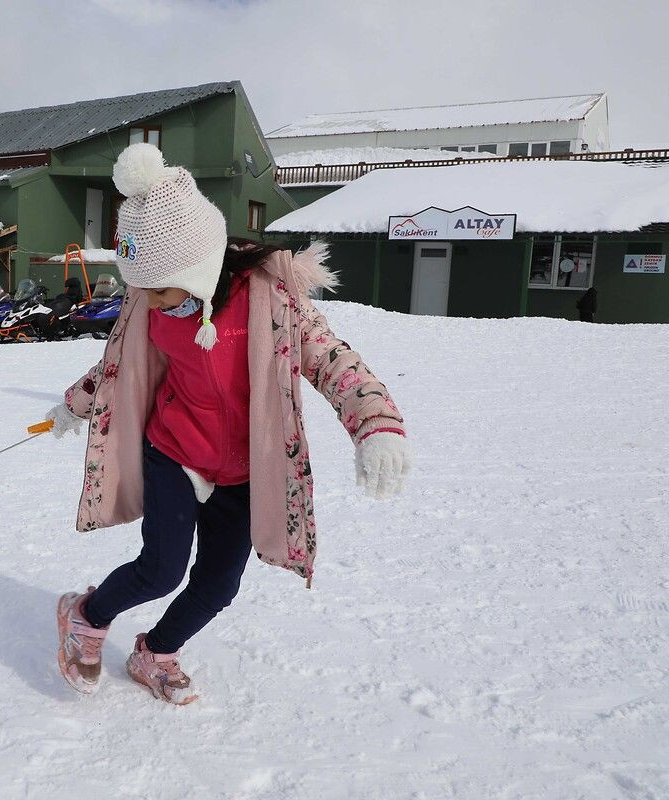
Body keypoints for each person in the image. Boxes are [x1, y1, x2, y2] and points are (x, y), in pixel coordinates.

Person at [46, 144, 411, 704]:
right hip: (175, 451)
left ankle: (156, 651)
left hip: (243, 470)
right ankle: (85, 617)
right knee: (162, 569)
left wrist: (377, 424)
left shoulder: (271, 304)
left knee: (218, 584)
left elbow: (333, 359)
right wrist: (75, 403)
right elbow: (117, 369)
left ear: (197, 269)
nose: (144, 299)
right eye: (137, 286)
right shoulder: (151, 308)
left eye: (158, 288)